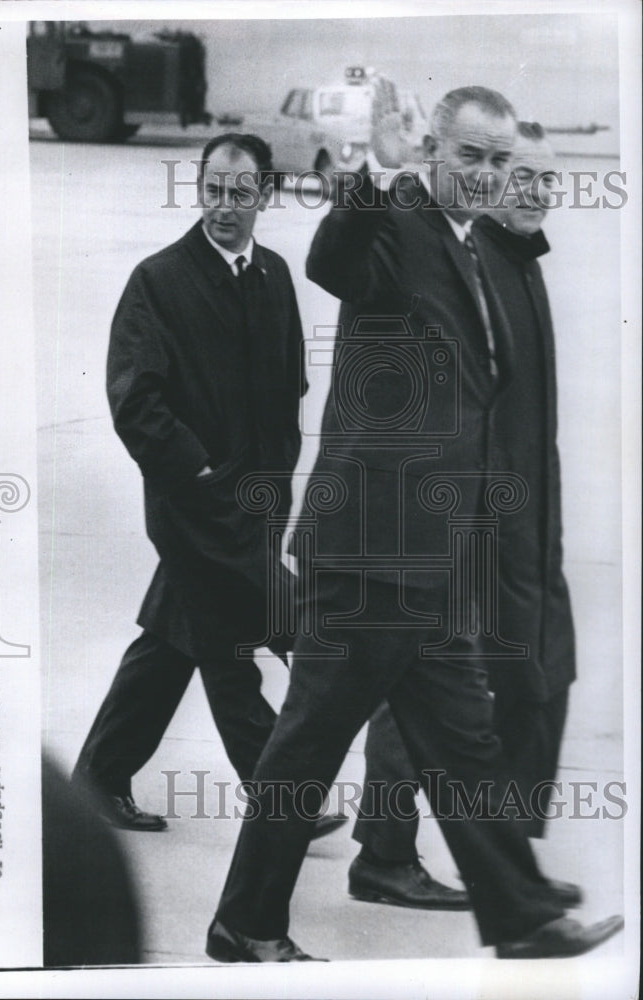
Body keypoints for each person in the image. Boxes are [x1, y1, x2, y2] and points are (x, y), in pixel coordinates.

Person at [206, 88, 623, 961]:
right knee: (306, 747)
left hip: (431, 559)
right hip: (368, 553)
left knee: (463, 745)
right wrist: (377, 168)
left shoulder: (473, 249)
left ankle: (520, 919)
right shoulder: (396, 222)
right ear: (433, 150)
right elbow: (331, 259)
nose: (482, 176)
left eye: (496, 161)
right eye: (466, 156)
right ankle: (244, 924)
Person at [72, 132, 343, 840]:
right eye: (213, 191)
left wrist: (276, 481)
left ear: (264, 195)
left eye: (240, 193)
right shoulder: (158, 280)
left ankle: (98, 778)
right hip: (192, 506)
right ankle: (281, 797)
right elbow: (135, 400)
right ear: (198, 189)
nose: (225, 207)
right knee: (241, 644)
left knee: (177, 636)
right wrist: (196, 471)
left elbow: (289, 387)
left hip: (255, 507)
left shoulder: (274, 275)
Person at [347, 120, 580, 911]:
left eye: (547, 179)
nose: (536, 192)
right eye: (522, 175)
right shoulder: (467, 263)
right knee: (423, 685)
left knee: (532, 676)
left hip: (520, 517)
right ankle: (390, 852)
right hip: (469, 523)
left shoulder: (516, 265)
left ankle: (506, 867)